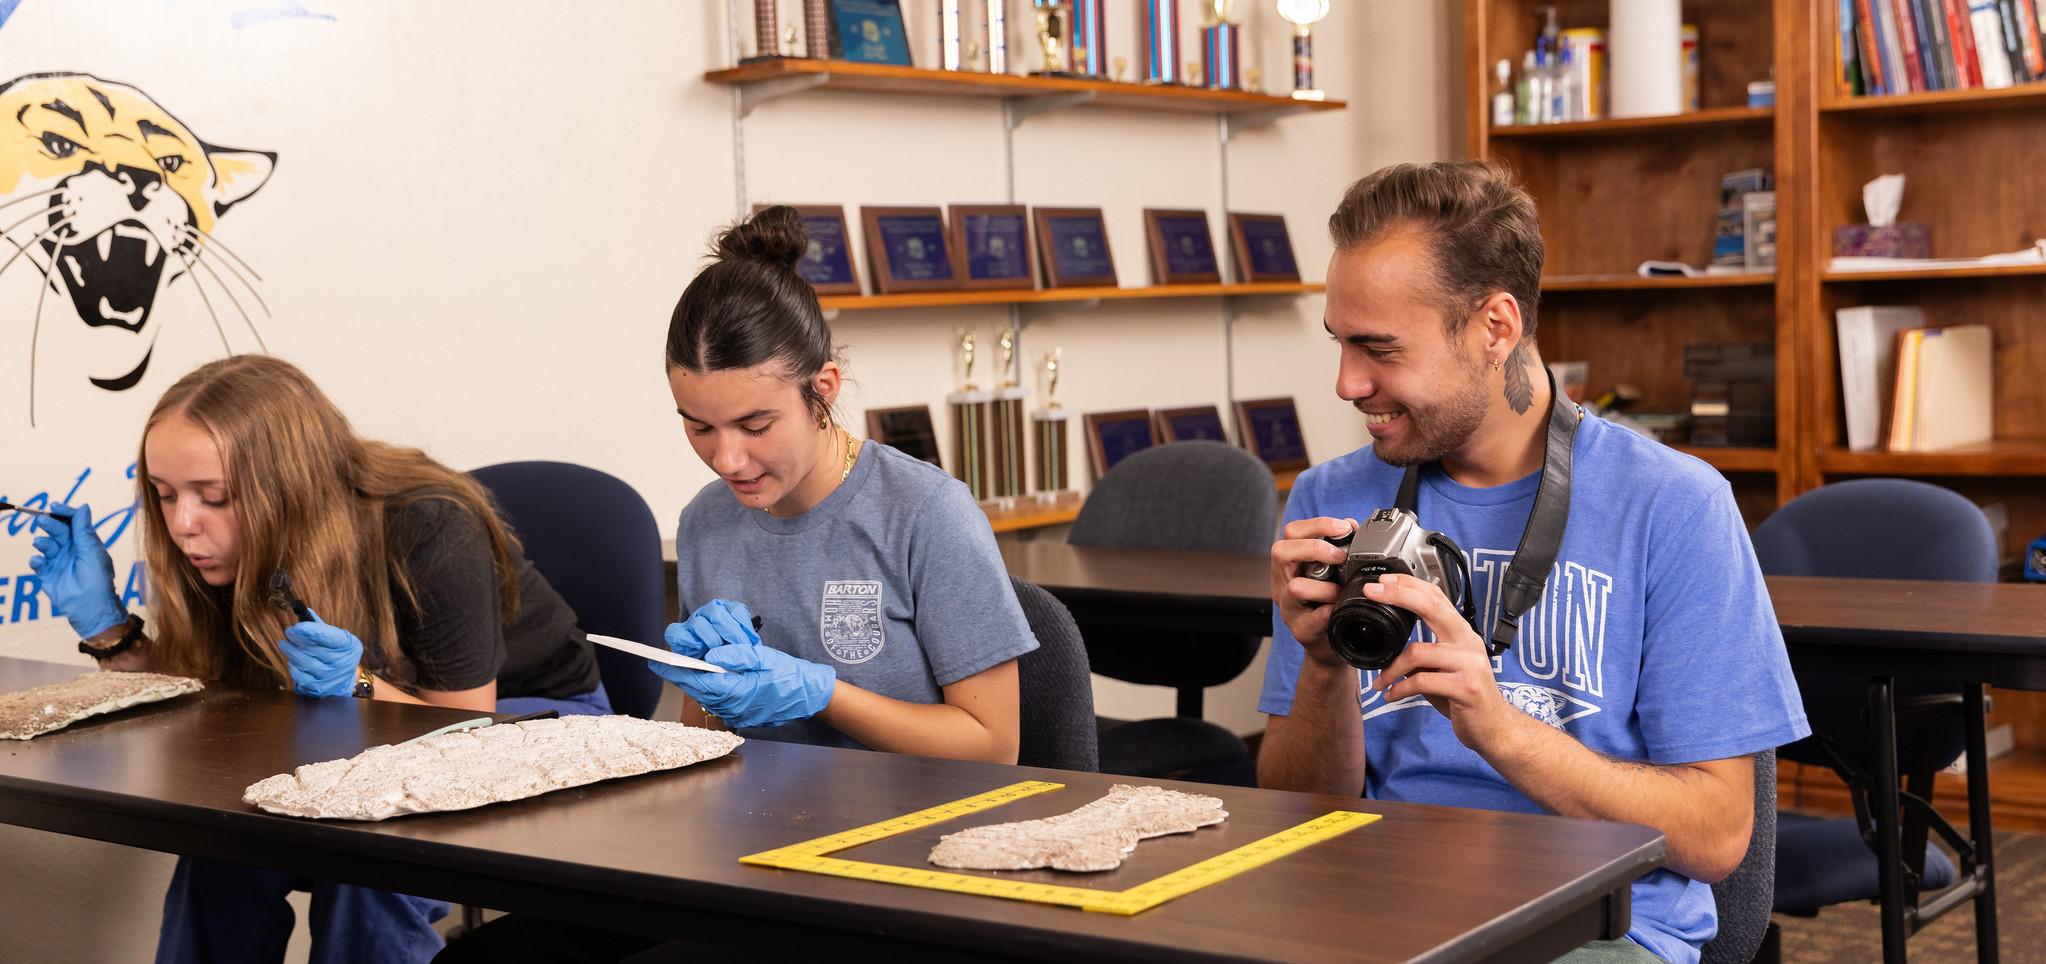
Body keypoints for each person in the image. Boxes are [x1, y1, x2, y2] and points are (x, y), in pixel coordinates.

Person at [433, 205, 1037, 963]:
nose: (727, 459)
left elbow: (993, 750)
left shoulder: (925, 514)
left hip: (902, 862)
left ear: (823, 388)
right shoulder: (709, 522)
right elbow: (706, 742)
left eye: (756, 424)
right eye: (698, 426)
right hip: (756, 848)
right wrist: (707, 703)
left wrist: (822, 693)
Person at [1257, 161, 1808, 964]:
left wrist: (1500, 730)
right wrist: (1322, 667)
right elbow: (1299, 816)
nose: (1348, 383)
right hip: (1371, 911)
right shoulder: (1330, 498)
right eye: (1341, 345)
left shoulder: (1675, 506)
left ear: (1496, 327)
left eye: (1379, 349)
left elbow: (1719, 837)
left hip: (1594, 926)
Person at [29, 353, 609, 964]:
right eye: (165, 494)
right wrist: (109, 629)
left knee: (368, 867)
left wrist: (355, 685)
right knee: (221, 849)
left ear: (291, 486)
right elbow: (201, 716)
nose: (183, 524)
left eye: (214, 497)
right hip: (356, 735)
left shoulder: (431, 524)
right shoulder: (207, 551)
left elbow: (465, 729)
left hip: (534, 726)